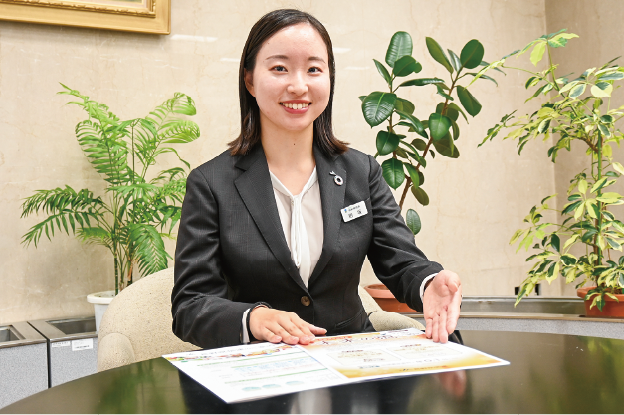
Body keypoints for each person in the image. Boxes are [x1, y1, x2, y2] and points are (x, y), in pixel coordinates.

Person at [171, 9, 462, 351]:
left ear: (329, 78)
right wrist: (253, 319)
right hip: (261, 366)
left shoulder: (361, 172)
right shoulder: (211, 184)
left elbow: (401, 261)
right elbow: (190, 305)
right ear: (249, 80)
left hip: (351, 361)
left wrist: (429, 283)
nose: (299, 86)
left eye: (313, 69)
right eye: (279, 68)